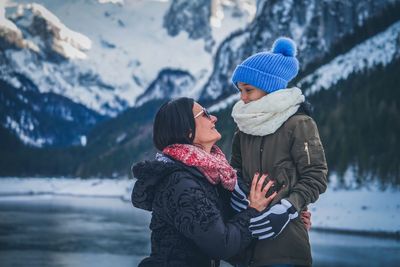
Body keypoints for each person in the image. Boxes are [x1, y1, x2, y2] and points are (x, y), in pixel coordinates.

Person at [131, 97, 312, 267]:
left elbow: (234, 244)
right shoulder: (179, 182)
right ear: (187, 131)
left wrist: (288, 228)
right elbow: (222, 244)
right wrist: (253, 211)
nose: (214, 118)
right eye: (205, 114)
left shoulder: (208, 176)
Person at [229, 37, 328, 267]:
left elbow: (316, 176)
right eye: (240, 90)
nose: (242, 97)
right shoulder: (243, 130)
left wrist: (288, 208)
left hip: (286, 252)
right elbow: (235, 172)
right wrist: (238, 192)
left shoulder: (299, 124)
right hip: (247, 247)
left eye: (248, 90)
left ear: (269, 87)